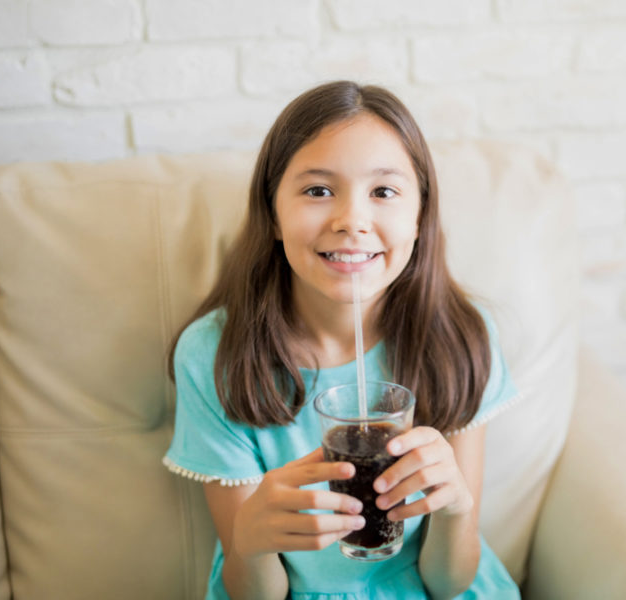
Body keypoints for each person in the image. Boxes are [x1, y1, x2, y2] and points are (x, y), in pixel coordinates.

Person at [163, 80, 521, 600]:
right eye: (317, 190)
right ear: (273, 214)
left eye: (384, 192)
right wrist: (252, 544)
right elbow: (253, 593)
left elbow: (452, 581)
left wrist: (455, 507)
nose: (351, 221)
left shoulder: (463, 337)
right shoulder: (215, 358)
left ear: (420, 217)